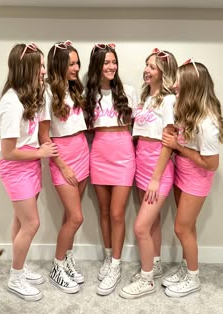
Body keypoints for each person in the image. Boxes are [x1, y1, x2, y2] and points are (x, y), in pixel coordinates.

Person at [0, 43, 58, 301]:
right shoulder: (11, 103)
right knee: (32, 223)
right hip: (17, 169)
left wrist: (37, 156)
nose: (43, 71)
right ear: (26, 68)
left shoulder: (29, 96)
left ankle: (18, 267)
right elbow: (8, 152)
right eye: (40, 66)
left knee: (21, 221)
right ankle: (15, 277)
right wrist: (40, 154)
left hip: (29, 166)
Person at [161, 60, 223, 297]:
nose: (175, 85)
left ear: (192, 85)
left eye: (179, 80)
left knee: (181, 228)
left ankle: (193, 278)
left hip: (197, 179)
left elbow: (212, 163)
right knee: (188, 227)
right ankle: (188, 268)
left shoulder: (207, 122)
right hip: (183, 173)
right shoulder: (186, 109)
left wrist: (178, 147)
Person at [120, 48, 178, 299]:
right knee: (152, 223)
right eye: (146, 65)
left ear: (163, 72)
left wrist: (156, 178)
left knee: (140, 227)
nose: (146, 69)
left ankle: (146, 281)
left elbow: (168, 141)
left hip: (158, 170)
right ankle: (154, 265)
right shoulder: (145, 99)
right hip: (141, 166)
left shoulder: (169, 101)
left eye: (152, 66)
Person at [85, 43, 138, 296]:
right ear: (97, 65)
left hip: (124, 155)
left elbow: (139, 127)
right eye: (106, 62)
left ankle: (116, 265)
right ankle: (108, 255)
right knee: (104, 212)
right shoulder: (89, 94)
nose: (111, 66)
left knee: (118, 213)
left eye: (114, 61)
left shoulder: (129, 91)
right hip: (99, 154)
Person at [39, 41, 89, 294]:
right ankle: (57, 267)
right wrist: (62, 166)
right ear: (59, 65)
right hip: (63, 158)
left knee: (71, 216)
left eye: (77, 62)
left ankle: (66, 260)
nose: (76, 67)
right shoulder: (47, 93)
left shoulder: (74, 89)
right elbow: (44, 137)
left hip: (82, 152)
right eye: (71, 63)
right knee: (77, 217)